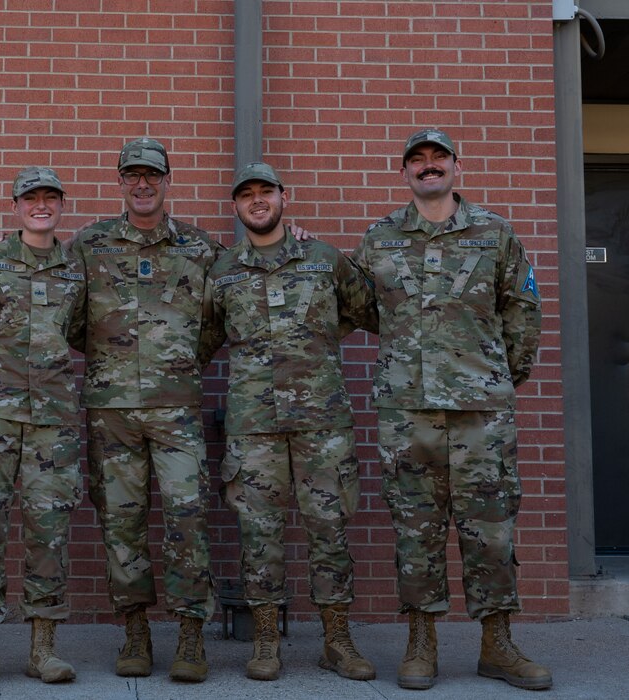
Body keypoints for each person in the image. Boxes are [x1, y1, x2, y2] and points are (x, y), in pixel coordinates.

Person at [353, 128, 550, 691]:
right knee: (415, 528)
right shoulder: (380, 238)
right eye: (418, 160)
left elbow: (523, 311)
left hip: (481, 413)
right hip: (407, 412)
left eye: (438, 158)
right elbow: (363, 310)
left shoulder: (495, 234)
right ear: (405, 172)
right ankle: (421, 644)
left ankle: (498, 644)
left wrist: (494, 377)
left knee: (490, 529)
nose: (429, 167)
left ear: (455, 167)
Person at [207, 162, 377, 682]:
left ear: (285, 197)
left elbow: (364, 310)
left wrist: (315, 345)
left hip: (320, 421)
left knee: (330, 531)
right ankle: (264, 642)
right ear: (236, 207)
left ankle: (337, 641)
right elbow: (205, 336)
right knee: (259, 534)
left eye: (266, 192)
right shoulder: (223, 271)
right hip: (253, 424)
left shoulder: (325, 260)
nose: (257, 201)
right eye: (246, 195)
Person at [69, 138, 223, 682]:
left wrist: (176, 364)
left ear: (166, 180)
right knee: (122, 524)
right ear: (119, 181)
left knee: (188, 520)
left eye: (151, 176)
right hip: (111, 411)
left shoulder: (200, 249)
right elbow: (71, 322)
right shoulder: (88, 245)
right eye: (132, 176)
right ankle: (134, 632)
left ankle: (189, 636)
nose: (142, 185)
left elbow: (220, 321)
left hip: (175, 409)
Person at [0, 167, 86, 686]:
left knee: (48, 531)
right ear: (15, 206)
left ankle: (43, 649)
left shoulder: (76, 269)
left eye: (51, 197)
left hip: (53, 417)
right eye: (32, 198)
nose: (42, 205)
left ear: (61, 206)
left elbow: (80, 330)